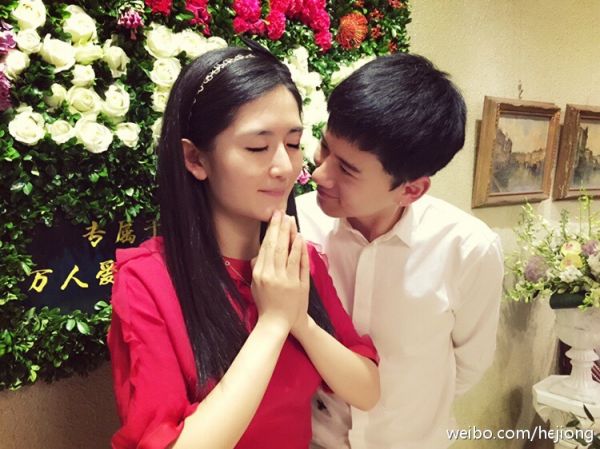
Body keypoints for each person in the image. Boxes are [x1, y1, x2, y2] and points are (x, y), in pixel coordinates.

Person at [107, 42, 380, 449]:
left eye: (293, 143)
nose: (285, 167)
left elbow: (367, 390)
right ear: (195, 159)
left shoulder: (297, 261)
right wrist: (273, 324)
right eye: (257, 147)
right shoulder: (148, 280)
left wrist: (299, 320)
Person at [296, 53, 504, 449]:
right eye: (324, 147)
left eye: (347, 169)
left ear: (411, 190)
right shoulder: (298, 223)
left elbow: (469, 364)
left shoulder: (467, 249)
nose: (319, 173)